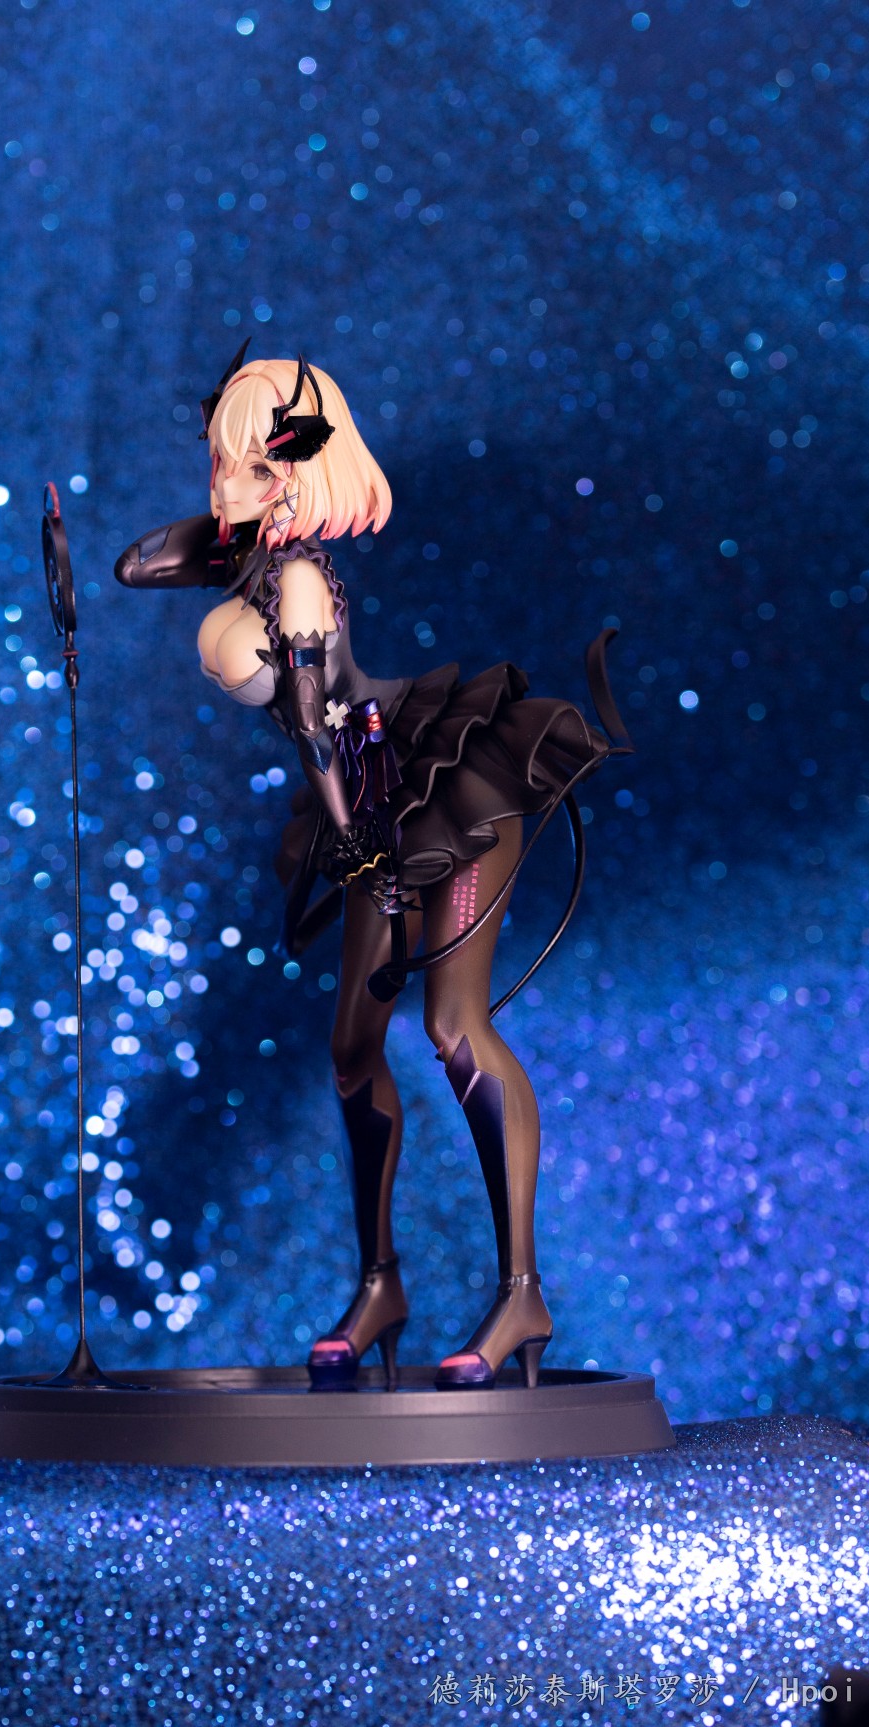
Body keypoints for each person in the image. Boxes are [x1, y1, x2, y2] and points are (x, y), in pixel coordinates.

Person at [115, 347, 626, 1392]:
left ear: (302, 472)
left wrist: (353, 838)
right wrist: (234, 506)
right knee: (351, 1046)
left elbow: (315, 729)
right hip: (369, 809)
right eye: (220, 463)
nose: (227, 486)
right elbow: (137, 564)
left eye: (257, 465)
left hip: (441, 794)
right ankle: (379, 1283)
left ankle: (521, 1292)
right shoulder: (257, 564)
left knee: (453, 1027)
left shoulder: (300, 578)